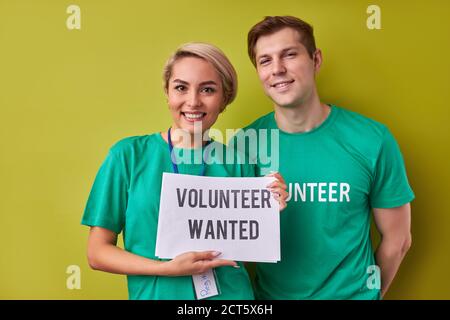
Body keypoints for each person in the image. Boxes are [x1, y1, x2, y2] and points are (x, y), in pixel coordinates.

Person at [81, 42, 288, 300]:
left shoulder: (239, 163)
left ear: (224, 99)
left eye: (208, 90)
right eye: (181, 87)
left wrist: (270, 209)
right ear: (167, 92)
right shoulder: (128, 156)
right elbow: (97, 253)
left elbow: (249, 248)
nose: (193, 101)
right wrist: (166, 269)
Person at [235, 16, 414, 299]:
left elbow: (398, 240)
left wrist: (371, 296)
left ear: (315, 59)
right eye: (265, 61)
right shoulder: (242, 146)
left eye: (289, 55)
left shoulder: (372, 139)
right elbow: (233, 246)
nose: (277, 69)